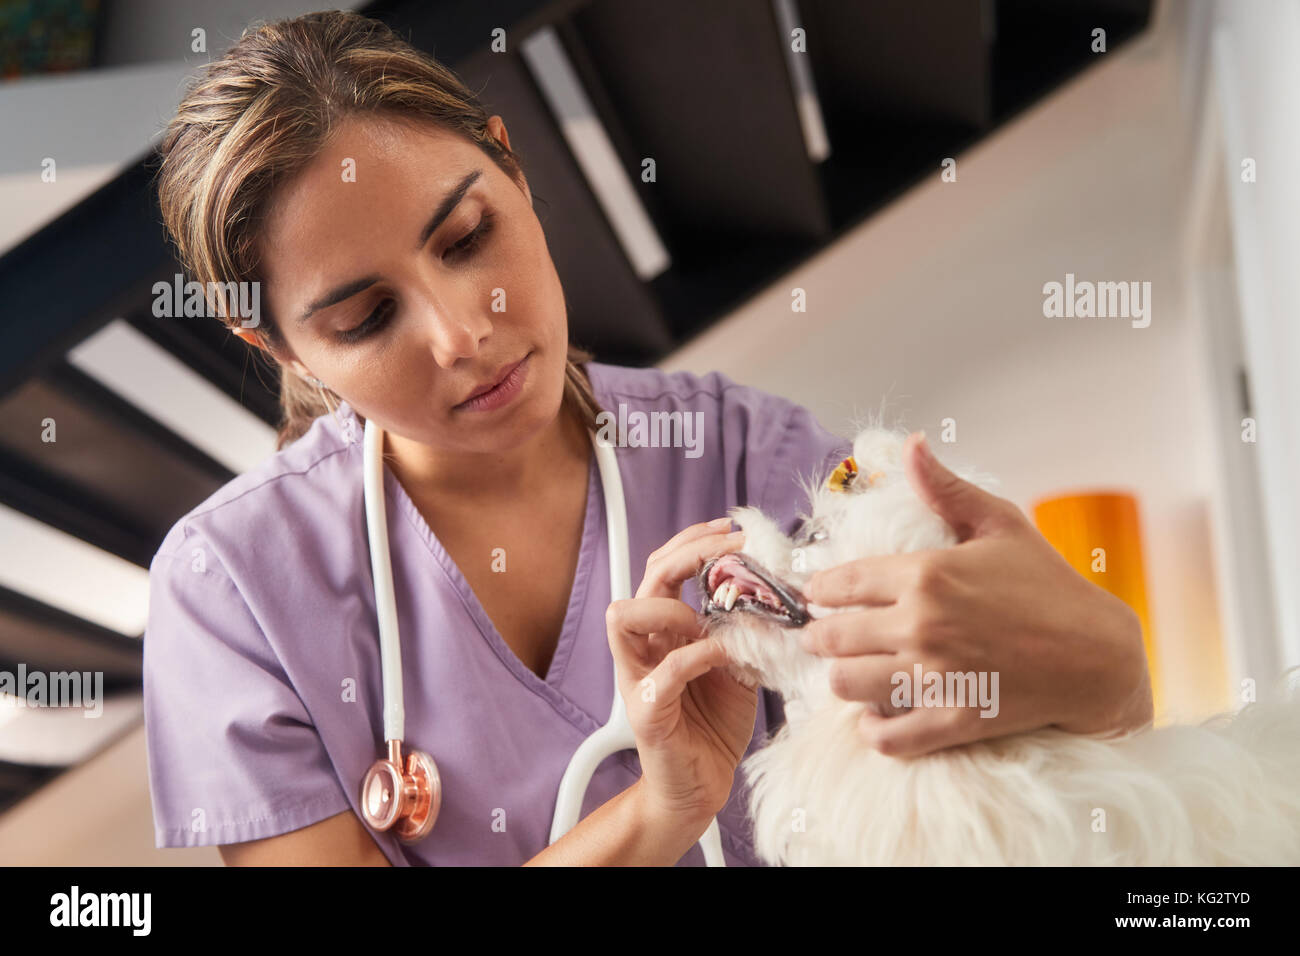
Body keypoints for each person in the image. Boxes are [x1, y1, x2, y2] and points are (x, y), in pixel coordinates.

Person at [143, 10, 1153, 866]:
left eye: (466, 239)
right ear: (278, 344)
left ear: (513, 166)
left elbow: (1067, 729)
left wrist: (1099, 659)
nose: (462, 333)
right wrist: (658, 810)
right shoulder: (234, 589)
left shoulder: (739, 452)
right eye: (365, 318)